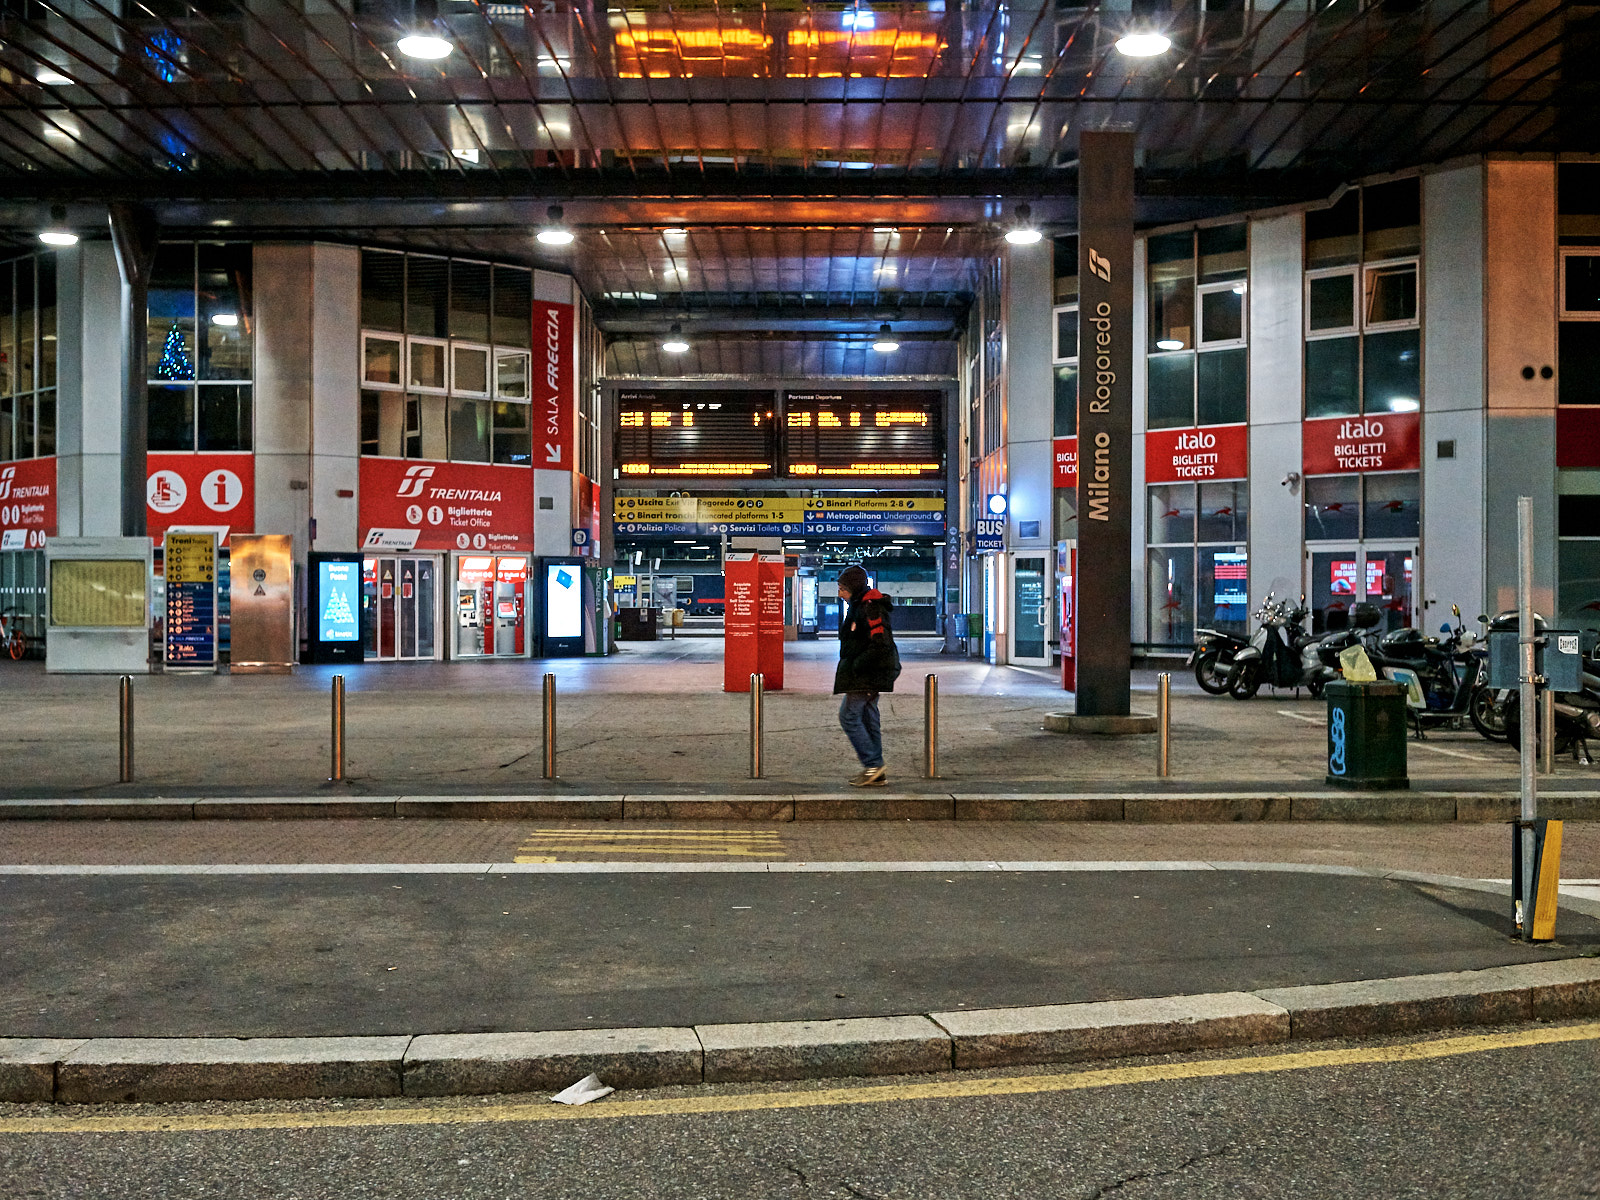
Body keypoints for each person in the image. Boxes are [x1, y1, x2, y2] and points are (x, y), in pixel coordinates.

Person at [833, 564, 901, 787]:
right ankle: (876, 770)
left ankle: (873, 764)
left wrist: (857, 666)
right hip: (868, 672)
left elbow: (879, 643)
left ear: (853, 587)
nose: (840, 593)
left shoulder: (869, 607)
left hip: (867, 673)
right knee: (868, 717)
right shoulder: (859, 605)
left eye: (842, 588)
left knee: (848, 716)